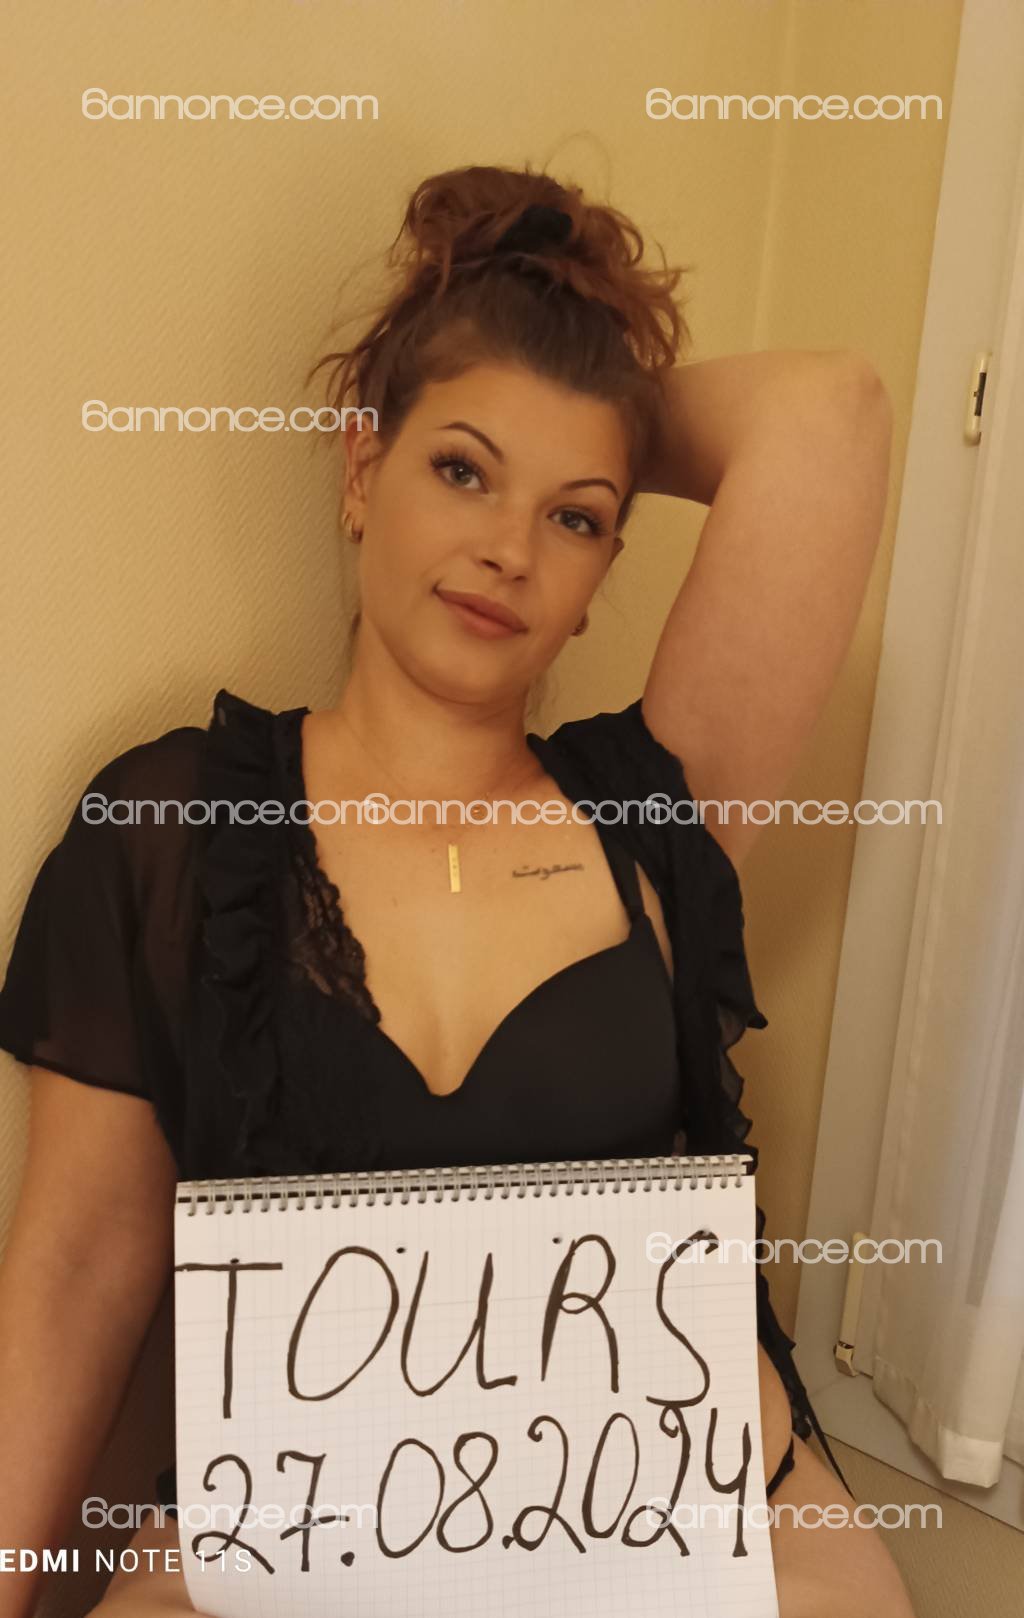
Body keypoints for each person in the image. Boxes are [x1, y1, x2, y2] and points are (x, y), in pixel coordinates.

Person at [0, 164, 912, 1617]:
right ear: (361, 471)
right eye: (463, 470)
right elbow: (75, 1272)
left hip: (670, 1495)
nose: (508, 549)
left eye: (576, 517)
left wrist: (578, 390)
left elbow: (833, 411)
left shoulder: (653, 811)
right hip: (294, 1519)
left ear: (605, 570)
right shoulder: (176, 823)